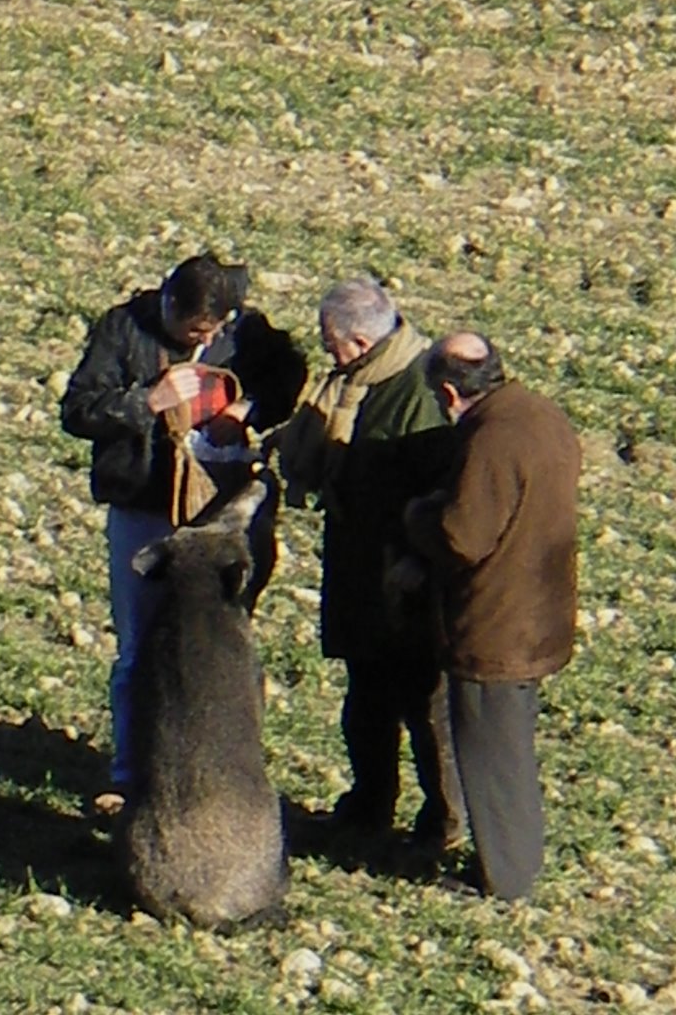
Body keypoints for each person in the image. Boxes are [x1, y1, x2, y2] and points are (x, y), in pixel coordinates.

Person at [60, 252, 306, 812]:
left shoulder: (248, 333)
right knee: (137, 647)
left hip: (221, 506)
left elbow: (290, 375)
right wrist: (147, 403)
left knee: (225, 643)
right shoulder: (122, 330)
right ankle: (130, 774)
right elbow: (77, 409)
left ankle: (232, 771)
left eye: (214, 329)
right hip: (143, 505)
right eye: (196, 329)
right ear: (169, 302)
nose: (206, 336)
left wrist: (246, 409)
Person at [278, 277, 466, 850]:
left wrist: (415, 560)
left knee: (423, 703)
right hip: (360, 565)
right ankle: (368, 805)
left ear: (357, 342)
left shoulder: (421, 392)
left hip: (401, 576)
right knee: (367, 697)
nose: (324, 351)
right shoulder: (357, 383)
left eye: (328, 341)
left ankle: (445, 821)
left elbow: (440, 488)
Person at [401, 331, 581, 899]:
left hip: (496, 625)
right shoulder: (541, 415)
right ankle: (514, 864)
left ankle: (506, 878)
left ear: (451, 394)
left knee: (491, 757)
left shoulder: (491, 441)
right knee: (511, 748)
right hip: (540, 610)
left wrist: (417, 516)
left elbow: (463, 536)